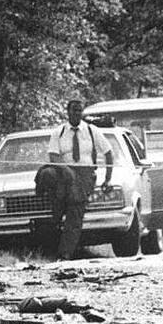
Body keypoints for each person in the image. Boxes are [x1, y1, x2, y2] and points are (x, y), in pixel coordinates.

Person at [46, 99, 113, 260]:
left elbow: (108, 152)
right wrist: (65, 169)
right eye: (73, 110)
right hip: (64, 173)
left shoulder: (91, 130)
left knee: (75, 209)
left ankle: (65, 253)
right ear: (67, 112)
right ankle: (49, 244)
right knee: (47, 177)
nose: (77, 113)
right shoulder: (59, 131)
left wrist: (107, 179)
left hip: (85, 174)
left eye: (79, 110)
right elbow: (53, 155)